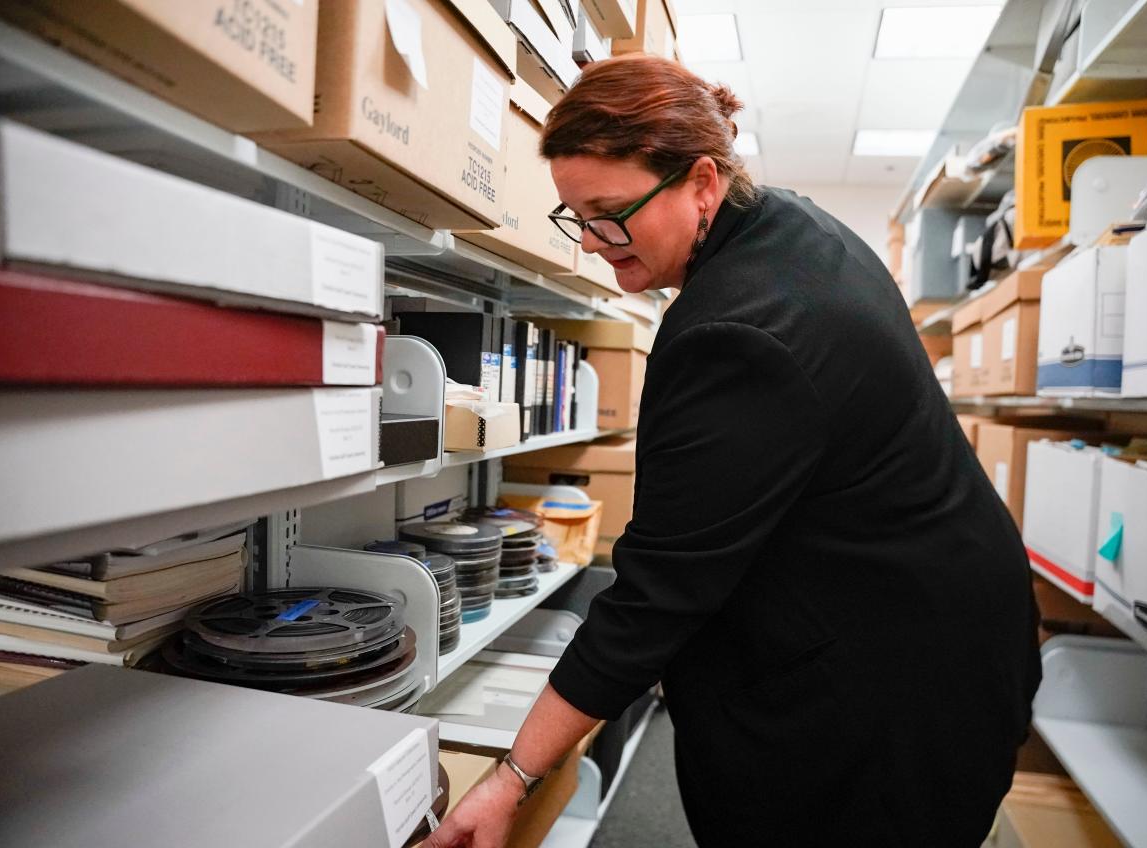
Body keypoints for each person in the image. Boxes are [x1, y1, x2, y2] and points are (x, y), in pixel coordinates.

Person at [427, 54, 1041, 847]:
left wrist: (513, 776)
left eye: (611, 213)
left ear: (703, 183)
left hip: (895, 686)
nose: (590, 242)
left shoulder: (738, 333)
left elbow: (659, 592)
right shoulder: (789, 226)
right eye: (575, 216)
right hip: (942, 619)